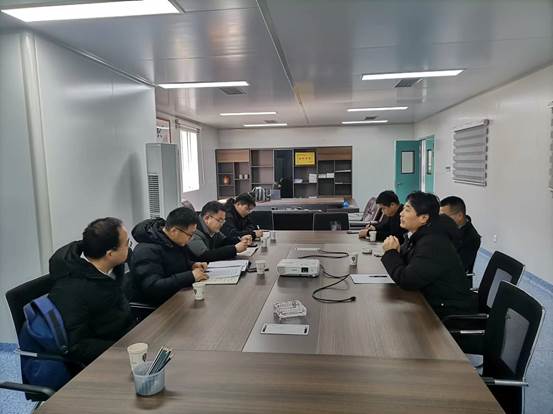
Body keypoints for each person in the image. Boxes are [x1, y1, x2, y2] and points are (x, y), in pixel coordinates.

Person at [48, 217, 135, 366]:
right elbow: (78, 346)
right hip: (104, 359)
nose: (129, 248)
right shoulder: (72, 289)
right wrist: (123, 350)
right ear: (110, 254)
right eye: (127, 244)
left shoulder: (113, 266)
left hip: (127, 338)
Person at [380, 192, 476, 319]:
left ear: (424, 218)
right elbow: (408, 263)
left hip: (449, 313)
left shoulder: (434, 243)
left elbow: (407, 280)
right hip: (431, 303)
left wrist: (391, 253)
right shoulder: (420, 235)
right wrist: (395, 252)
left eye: (407, 210)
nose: (401, 214)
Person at [130, 207, 208, 306]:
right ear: (174, 230)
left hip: (178, 297)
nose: (191, 239)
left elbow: (174, 264)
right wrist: (191, 276)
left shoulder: (175, 241)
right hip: (158, 307)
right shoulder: (146, 250)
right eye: (190, 235)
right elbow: (153, 287)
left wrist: (192, 265)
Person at [440, 196, 481, 273]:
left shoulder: (472, 238)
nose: (440, 220)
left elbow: (457, 267)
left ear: (459, 216)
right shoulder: (449, 227)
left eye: (444, 217)